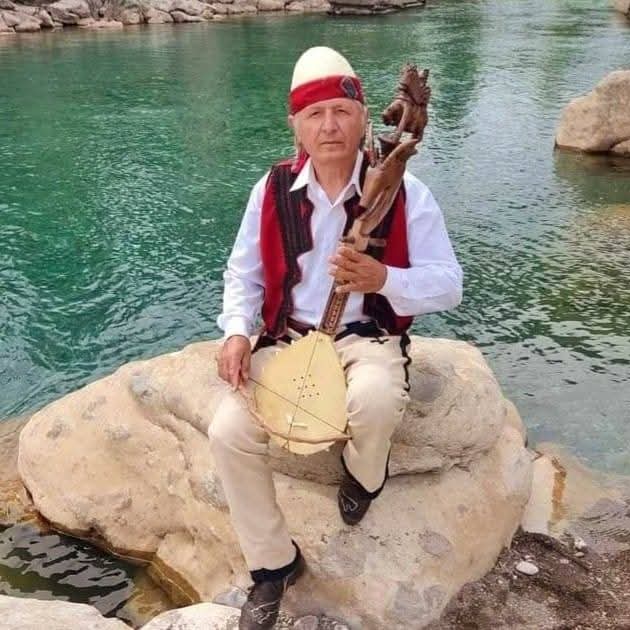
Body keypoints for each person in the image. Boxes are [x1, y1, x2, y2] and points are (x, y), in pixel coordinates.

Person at [209, 46, 463, 630]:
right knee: (227, 431)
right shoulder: (271, 189)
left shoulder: (405, 191)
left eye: (342, 112)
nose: (329, 126)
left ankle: (364, 474)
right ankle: (274, 564)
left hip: (366, 335)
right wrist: (237, 332)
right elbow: (243, 274)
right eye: (315, 114)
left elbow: (450, 284)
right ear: (296, 125)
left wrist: (384, 279)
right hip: (289, 339)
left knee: (373, 401)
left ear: (363, 118)